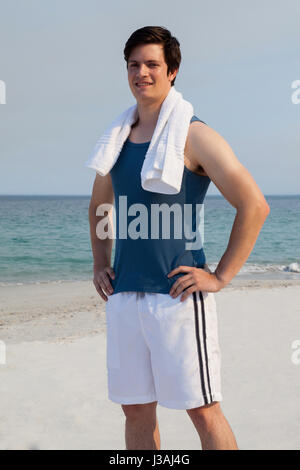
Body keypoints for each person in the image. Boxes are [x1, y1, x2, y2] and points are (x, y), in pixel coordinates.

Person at [87, 26, 270, 450]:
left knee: (202, 410)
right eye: (134, 65)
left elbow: (254, 204)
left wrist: (221, 276)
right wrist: (100, 263)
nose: (142, 73)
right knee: (135, 410)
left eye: (152, 64)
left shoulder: (194, 134)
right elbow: (100, 207)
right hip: (126, 295)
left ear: (172, 72)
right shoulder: (116, 138)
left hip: (178, 297)